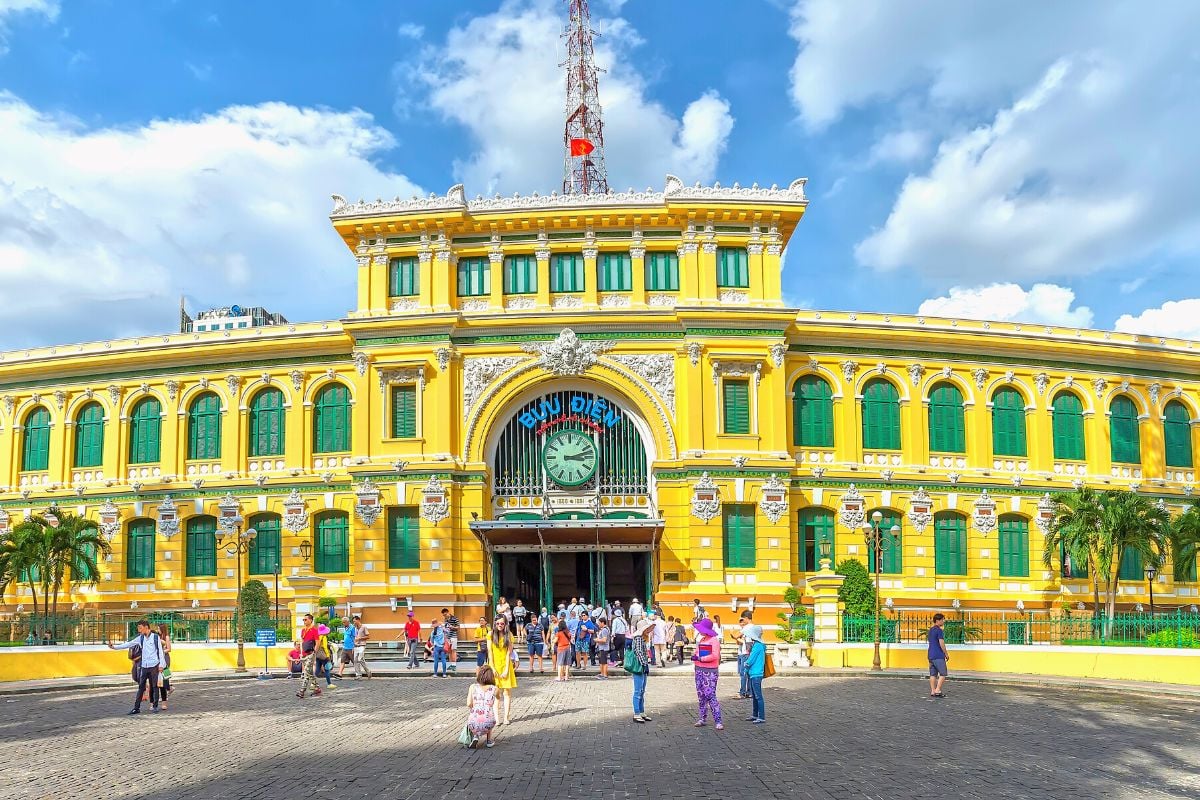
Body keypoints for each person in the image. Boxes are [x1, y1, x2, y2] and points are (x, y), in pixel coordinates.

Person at [108, 619, 166, 714]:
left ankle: (155, 706)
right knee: (141, 687)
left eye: (140, 628)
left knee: (155, 686)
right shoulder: (141, 638)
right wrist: (115, 647)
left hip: (154, 665)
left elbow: (160, 652)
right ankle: (136, 707)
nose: (139, 630)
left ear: (146, 627)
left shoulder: (155, 637)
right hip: (144, 665)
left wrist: (161, 665)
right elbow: (129, 644)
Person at [690, 617, 723, 729]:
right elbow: (697, 652)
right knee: (701, 696)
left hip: (710, 671)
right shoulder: (702, 639)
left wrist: (700, 658)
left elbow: (715, 656)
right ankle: (702, 718)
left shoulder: (714, 640)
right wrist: (695, 657)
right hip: (699, 670)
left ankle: (718, 720)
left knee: (710, 695)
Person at [485, 617, 517, 726]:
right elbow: (490, 652)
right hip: (494, 665)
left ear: (505, 624)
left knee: (507, 693)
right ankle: (497, 719)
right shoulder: (490, 634)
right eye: (498, 623)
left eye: (502, 623)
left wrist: (507, 669)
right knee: (496, 694)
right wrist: (492, 668)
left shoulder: (509, 635)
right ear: (495, 623)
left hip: (506, 665)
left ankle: (506, 718)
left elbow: (509, 653)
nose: (500, 625)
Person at [465, 665, 499, 749]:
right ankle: (489, 741)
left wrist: (474, 707)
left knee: (476, 716)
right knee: (488, 715)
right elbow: (498, 697)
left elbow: (468, 703)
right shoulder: (494, 689)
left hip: (473, 721)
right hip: (489, 722)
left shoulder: (473, 687)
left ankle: (476, 736)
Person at [629, 618, 654, 723]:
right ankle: (637, 713)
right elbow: (639, 652)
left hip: (642, 666)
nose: (648, 630)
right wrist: (645, 664)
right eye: (647, 629)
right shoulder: (638, 638)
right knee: (638, 691)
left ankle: (641, 711)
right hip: (639, 666)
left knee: (642, 691)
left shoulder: (641, 638)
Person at [743, 624, 767, 723]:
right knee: (755, 696)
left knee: (758, 696)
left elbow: (751, 660)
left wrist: (746, 663)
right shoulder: (758, 645)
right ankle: (755, 715)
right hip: (755, 673)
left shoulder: (757, 646)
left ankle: (761, 716)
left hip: (756, 674)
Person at [295, 614, 322, 698]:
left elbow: (317, 642)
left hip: (311, 653)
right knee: (309, 673)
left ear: (311, 620)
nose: (304, 621)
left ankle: (302, 691)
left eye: (305, 619)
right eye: (303, 620)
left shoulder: (314, 630)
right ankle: (317, 688)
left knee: (306, 672)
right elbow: (302, 642)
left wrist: (314, 652)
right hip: (304, 654)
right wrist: (301, 653)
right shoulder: (303, 630)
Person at [732, 610, 753, 698]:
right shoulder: (753, 627)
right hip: (747, 652)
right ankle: (749, 691)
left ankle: (743, 692)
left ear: (746, 618)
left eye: (743, 619)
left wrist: (732, 633)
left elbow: (737, 637)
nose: (742, 621)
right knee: (747, 673)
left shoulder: (747, 628)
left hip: (745, 653)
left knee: (743, 673)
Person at [928, 613, 949, 698]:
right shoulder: (939, 630)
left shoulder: (931, 630)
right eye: (942, 619)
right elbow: (941, 643)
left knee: (933, 674)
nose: (943, 621)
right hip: (938, 655)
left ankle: (933, 691)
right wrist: (946, 654)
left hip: (930, 654)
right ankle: (938, 690)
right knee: (943, 673)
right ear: (938, 620)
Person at [352, 614, 373, 679]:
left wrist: (360, 638)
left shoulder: (364, 627)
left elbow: (368, 636)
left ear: (358, 620)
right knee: (355, 660)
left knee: (360, 659)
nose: (354, 622)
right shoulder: (354, 628)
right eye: (353, 621)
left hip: (362, 645)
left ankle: (368, 671)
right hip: (356, 645)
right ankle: (358, 675)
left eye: (355, 621)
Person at [316, 624, 335, 689]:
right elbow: (325, 647)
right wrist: (328, 656)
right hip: (323, 656)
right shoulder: (324, 637)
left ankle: (313, 683)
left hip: (317, 655)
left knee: (317, 669)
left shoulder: (317, 637)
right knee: (327, 669)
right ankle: (329, 684)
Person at [442, 608, 461, 673]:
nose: (444, 616)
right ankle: (451, 665)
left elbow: (458, 627)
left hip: (453, 637)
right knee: (449, 652)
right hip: (447, 637)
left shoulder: (454, 618)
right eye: (443, 615)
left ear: (448, 612)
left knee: (453, 651)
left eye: (445, 615)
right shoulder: (445, 619)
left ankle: (454, 665)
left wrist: (452, 627)